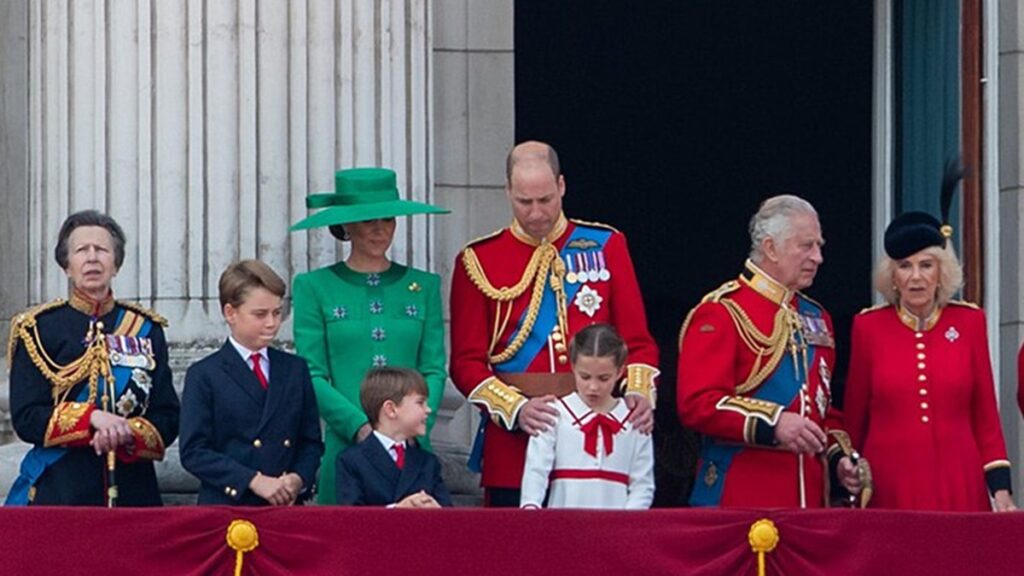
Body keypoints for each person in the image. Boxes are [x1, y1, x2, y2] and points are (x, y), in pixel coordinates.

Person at [449, 140, 659, 507]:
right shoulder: (477, 260)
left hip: (598, 435)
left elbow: (637, 342)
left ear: (561, 186)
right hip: (519, 439)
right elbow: (466, 363)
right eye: (523, 202)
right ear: (507, 192)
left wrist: (639, 393)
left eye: (545, 200)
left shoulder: (606, 245)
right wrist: (516, 409)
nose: (535, 214)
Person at [677, 195, 861, 508]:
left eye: (819, 246)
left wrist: (838, 459)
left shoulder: (817, 317)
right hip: (741, 499)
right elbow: (698, 404)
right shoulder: (722, 312)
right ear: (771, 248)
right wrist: (774, 424)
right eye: (806, 246)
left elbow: (820, 410)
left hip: (809, 505)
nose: (818, 257)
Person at [290, 167, 449, 504]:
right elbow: (312, 372)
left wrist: (416, 422)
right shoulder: (313, 287)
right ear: (347, 225)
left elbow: (433, 367)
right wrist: (359, 427)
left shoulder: (423, 286)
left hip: (412, 450)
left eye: (388, 218)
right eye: (368, 221)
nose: (380, 230)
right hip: (347, 445)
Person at [844, 210, 1015, 511]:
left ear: (941, 272)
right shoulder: (868, 327)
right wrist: (847, 476)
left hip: (959, 481)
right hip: (889, 484)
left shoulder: (969, 322)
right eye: (904, 266)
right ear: (892, 277)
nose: (916, 277)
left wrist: (1001, 491)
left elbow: (986, 417)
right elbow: (855, 418)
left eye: (926, 265)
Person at [6, 210, 179, 506]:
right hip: (61, 489)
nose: (92, 258)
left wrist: (125, 433)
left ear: (116, 263)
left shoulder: (146, 329)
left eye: (101, 250)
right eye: (81, 250)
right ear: (67, 266)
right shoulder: (37, 328)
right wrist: (92, 420)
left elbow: (167, 416)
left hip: (133, 489)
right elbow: (27, 417)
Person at [179, 260, 324, 505]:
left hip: (284, 506)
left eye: (277, 313)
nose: (272, 323)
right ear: (230, 313)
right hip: (228, 506)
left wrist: (298, 479)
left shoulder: (294, 369)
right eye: (260, 314)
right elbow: (194, 451)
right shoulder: (205, 374)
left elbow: (310, 441)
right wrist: (252, 480)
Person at [520, 324, 654, 509]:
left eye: (603, 378)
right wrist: (530, 509)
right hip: (563, 524)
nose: (593, 387)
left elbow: (642, 485)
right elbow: (536, 472)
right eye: (585, 377)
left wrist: (627, 527)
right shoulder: (554, 414)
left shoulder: (635, 420)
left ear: (620, 372)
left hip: (616, 529)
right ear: (573, 367)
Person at [335, 367, 452, 507]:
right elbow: (352, 517)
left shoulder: (428, 462)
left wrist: (435, 508)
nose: (428, 410)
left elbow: (449, 516)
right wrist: (398, 509)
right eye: (420, 403)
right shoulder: (351, 461)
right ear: (391, 409)